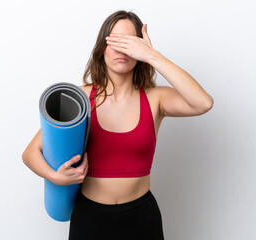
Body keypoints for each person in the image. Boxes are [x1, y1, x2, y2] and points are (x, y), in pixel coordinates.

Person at [22, 10, 213, 240]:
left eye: (130, 42)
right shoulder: (81, 99)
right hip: (89, 219)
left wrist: (153, 56)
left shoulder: (156, 99)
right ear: (102, 48)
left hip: (142, 219)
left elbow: (203, 103)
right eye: (115, 41)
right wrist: (55, 177)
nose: (122, 49)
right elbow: (30, 153)